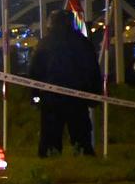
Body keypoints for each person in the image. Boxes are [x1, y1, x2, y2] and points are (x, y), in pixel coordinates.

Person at [29, 9, 102, 157]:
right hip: (77, 97)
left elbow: (35, 72)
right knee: (81, 135)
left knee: (50, 136)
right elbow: (92, 69)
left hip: (51, 98)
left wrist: (35, 96)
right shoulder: (82, 42)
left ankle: (50, 159)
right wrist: (94, 94)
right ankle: (83, 157)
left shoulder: (45, 44)